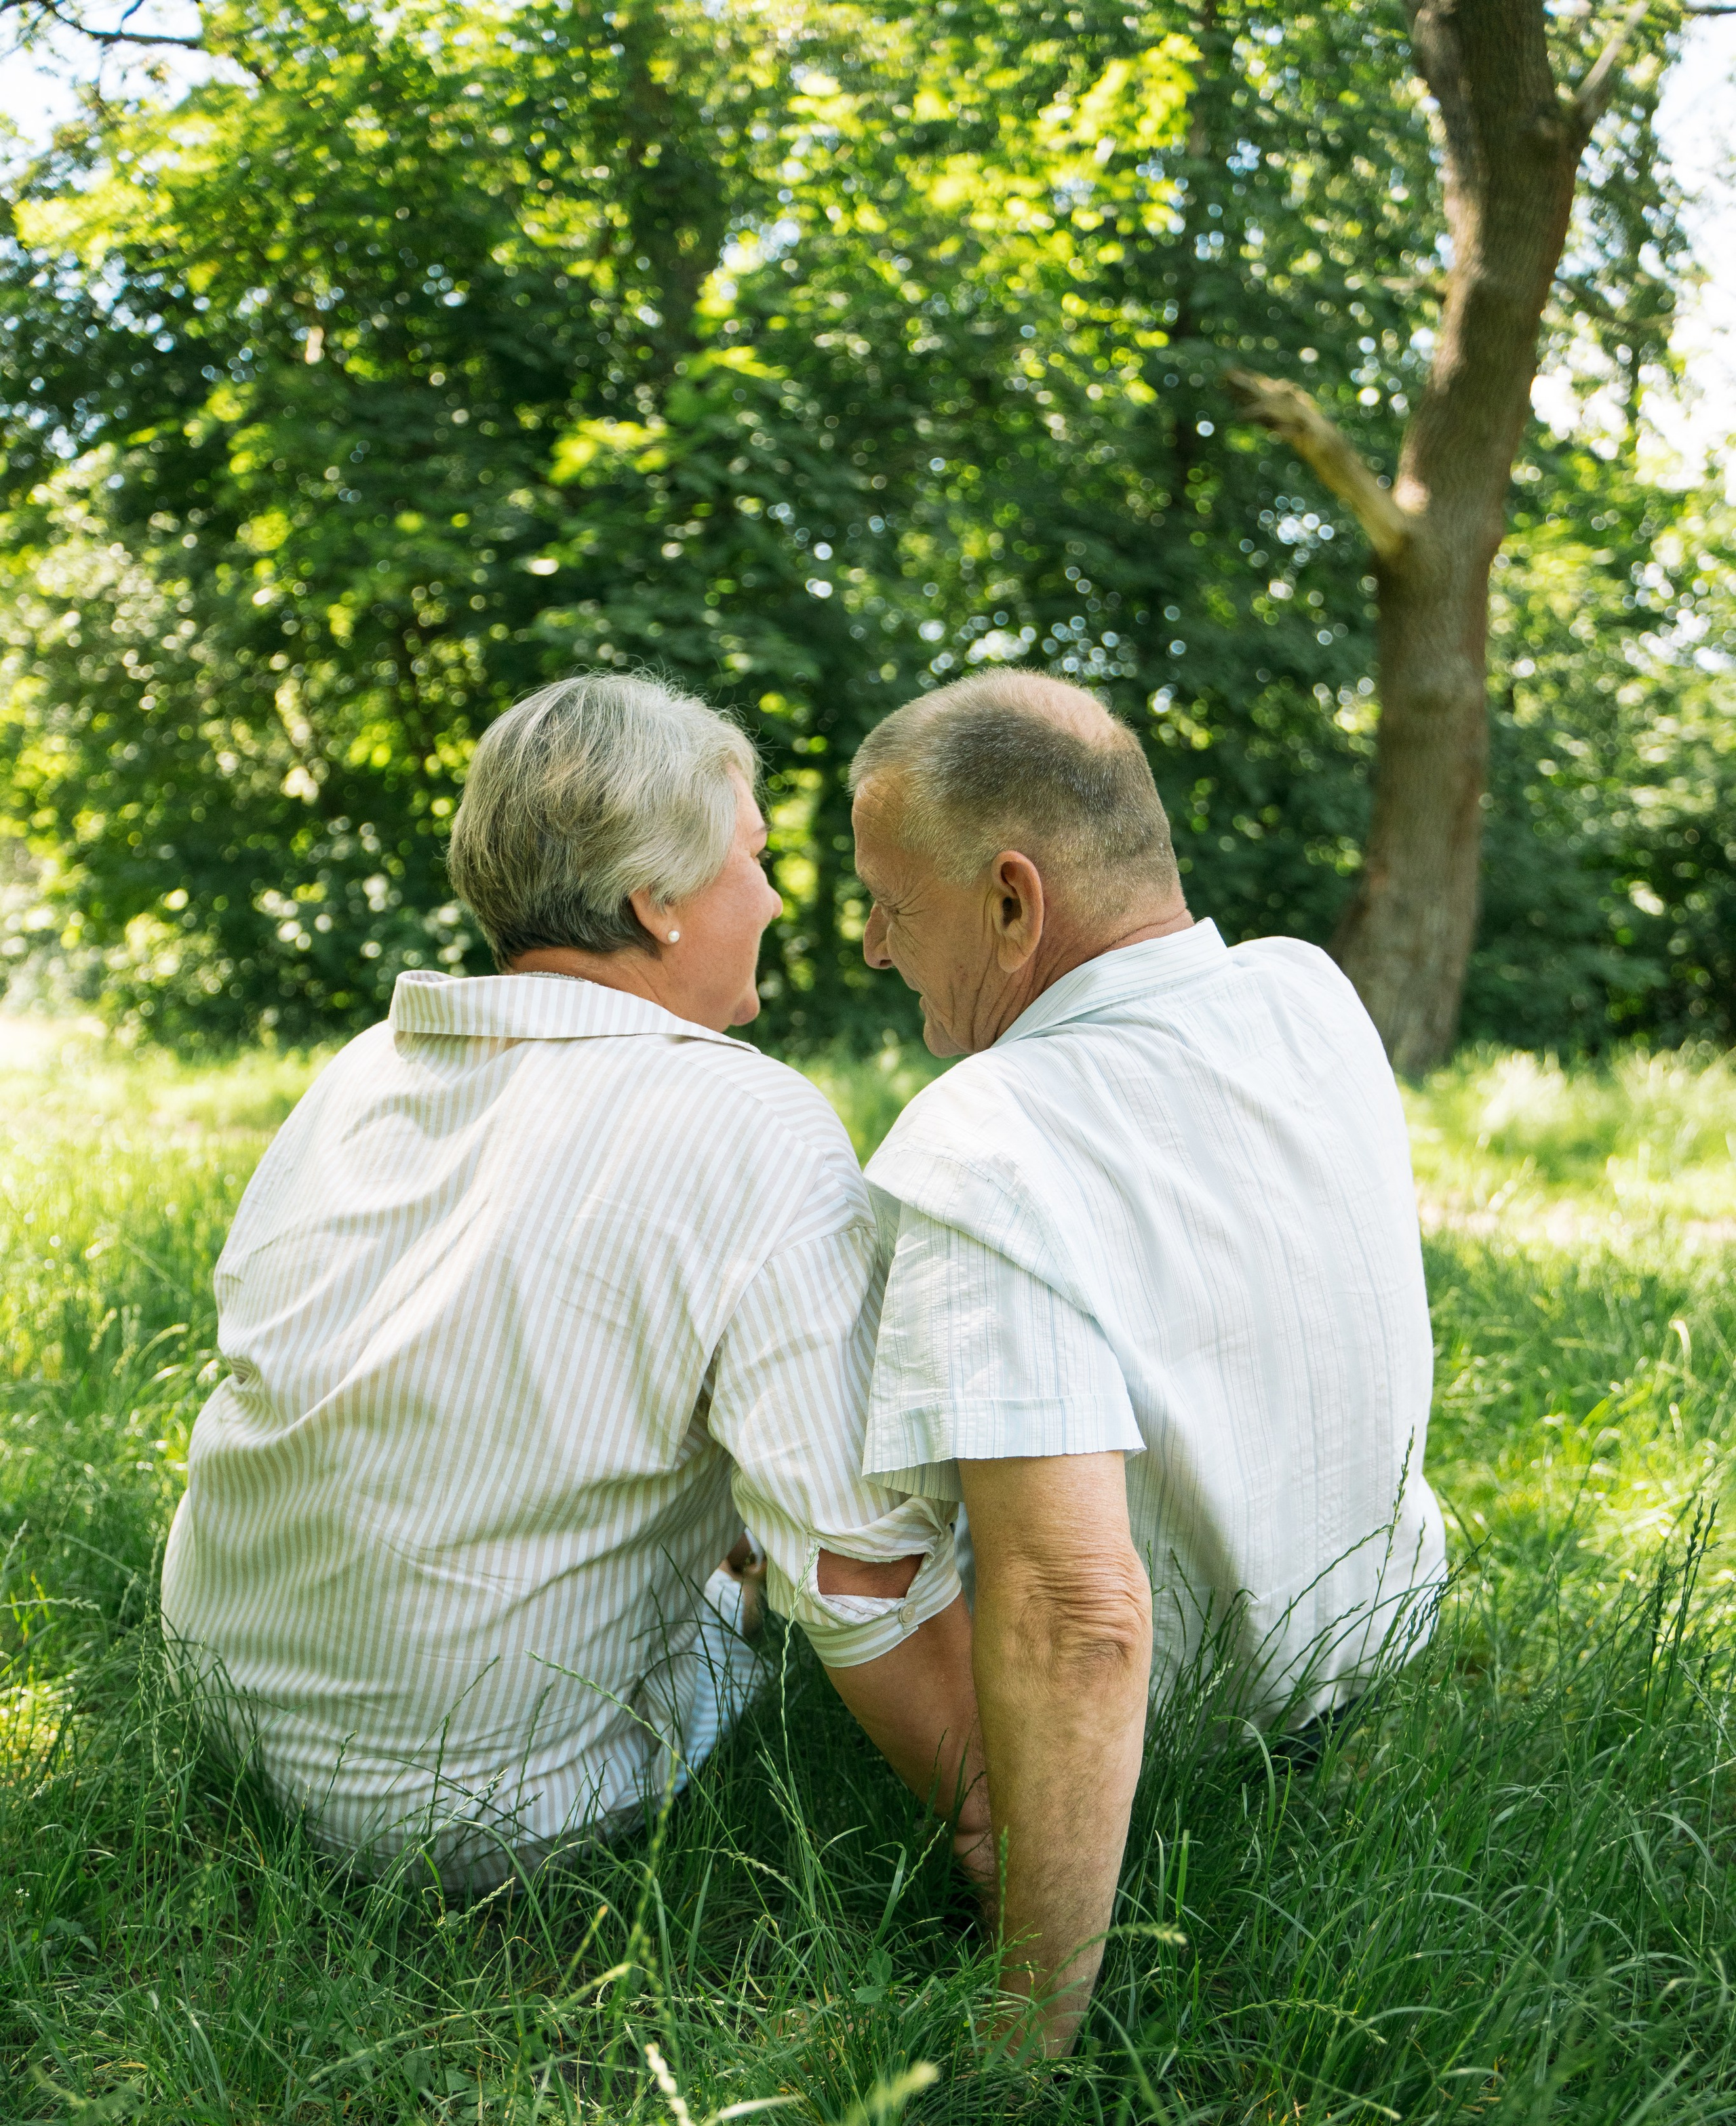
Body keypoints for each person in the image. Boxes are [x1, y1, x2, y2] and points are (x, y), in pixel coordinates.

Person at [163, 673, 985, 1895]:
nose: (773, 899)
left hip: (223, 1719)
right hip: (485, 1810)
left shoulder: (360, 1072)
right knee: (932, 1488)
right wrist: (1003, 1840)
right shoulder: (750, 1116)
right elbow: (861, 1570)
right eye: (754, 860)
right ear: (656, 901)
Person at [850, 671, 1445, 2055]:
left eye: (888, 902)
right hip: (1365, 1662)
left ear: (1012, 904)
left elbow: (1075, 1613)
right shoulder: (1307, 992)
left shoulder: (986, 1136)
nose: (874, 947)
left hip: (1179, 1738)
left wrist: (1028, 2025)